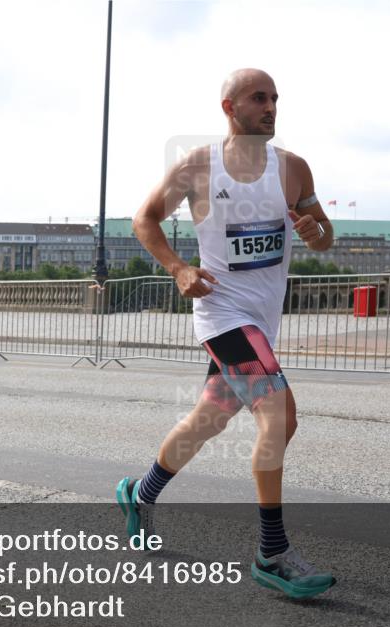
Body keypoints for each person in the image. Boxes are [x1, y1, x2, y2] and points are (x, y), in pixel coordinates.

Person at [117, 68, 337, 599]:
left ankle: (139, 494)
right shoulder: (197, 167)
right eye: (258, 98)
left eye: (275, 98)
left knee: (206, 421)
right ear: (228, 107)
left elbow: (326, 238)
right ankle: (272, 551)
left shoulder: (293, 170)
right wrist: (178, 269)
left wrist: (314, 230)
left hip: (262, 321)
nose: (271, 106)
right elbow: (143, 219)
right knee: (280, 416)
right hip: (222, 315)